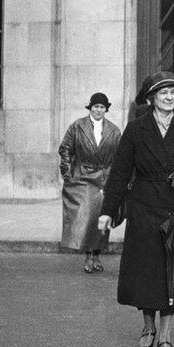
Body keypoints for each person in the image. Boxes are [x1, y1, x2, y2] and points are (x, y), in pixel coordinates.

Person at [98, 72, 174, 347]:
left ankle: (165, 336)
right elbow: (120, 173)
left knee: (171, 273)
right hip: (144, 208)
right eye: (163, 93)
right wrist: (107, 212)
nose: (170, 97)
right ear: (151, 98)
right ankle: (148, 328)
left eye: (173, 92)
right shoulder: (136, 130)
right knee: (147, 273)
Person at [59, 92, 121, 273]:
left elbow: (120, 156)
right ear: (90, 108)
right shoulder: (77, 126)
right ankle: (88, 256)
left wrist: (117, 179)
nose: (98, 110)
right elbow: (65, 149)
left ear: (106, 110)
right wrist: (68, 173)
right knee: (86, 218)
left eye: (102, 107)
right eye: (95, 107)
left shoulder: (114, 130)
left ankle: (97, 255)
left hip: (104, 179)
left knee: (101, 219)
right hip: (83, 177)